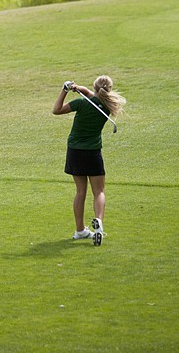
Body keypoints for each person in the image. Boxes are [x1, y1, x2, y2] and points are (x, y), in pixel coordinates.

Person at [52, 75, 126, 246]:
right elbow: (92, 96)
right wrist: (79, 88)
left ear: (94, 88)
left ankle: (79, 230)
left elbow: (56, 110)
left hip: (75, 151)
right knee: (99, 192)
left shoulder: (81, 104)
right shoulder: (107, 106)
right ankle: (98, 221)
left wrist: (64, 90)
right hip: (93, 153)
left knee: (80, 192)